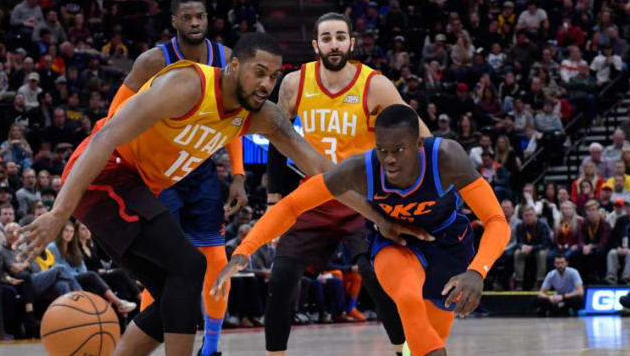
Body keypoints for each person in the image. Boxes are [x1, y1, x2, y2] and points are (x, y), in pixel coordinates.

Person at [14, 34, 425, 356]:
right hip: (104, 174)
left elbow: (321, 170)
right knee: (190, 268)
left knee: (174, 294)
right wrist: (57, 214)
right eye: (258, 72)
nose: (266, 83)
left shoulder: (261, 115)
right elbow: (104, 137)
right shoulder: (186, 84)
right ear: (232, 68)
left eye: (273, 76)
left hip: (135, 187)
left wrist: (379, 217)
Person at [214, 105, 510, 356]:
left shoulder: (447, 158)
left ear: (419, 145)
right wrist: (244, 250)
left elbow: (496, 220)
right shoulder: (360, 169)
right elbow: (293, 206)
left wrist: (477, 271)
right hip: (395, 244)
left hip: (447, 244)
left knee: (430, 335)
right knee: (407, 299)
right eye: (382, 150)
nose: (389, 159)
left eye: (398, 150)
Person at [263, 12, 433, 356]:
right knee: (281, 276)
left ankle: (402, 349)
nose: (334, 44)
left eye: (341, 37)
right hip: (316, 192)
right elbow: (278, 138)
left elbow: (422, 136)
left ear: (352, 42)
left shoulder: (376, 85)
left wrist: (424, 186)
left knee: (373, 272)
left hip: (364, 196)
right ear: (316, 46)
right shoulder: (295, 83)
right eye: (326, 38)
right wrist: (272, 196)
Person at [108, 0, 245, 356]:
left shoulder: (225, 57)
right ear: (174, 21)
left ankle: (211, 347)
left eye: (199, 15)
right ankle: (153, 341)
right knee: (165, 264)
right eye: (186, 17)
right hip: (157, 172)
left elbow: (234, 119)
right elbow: (114, 114)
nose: (195, 22)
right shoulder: (153, 61)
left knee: (216, 258)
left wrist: (238, 173)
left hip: (200, 168)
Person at [513, 206, 552, 290]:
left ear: (535, 215)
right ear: (522, 217)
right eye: (526, 215)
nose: (528, 217)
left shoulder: (542, 225)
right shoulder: (520, 226)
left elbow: (545, 243)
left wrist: (532, 248)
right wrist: (522, 246)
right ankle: (519, 282)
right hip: (526, 249)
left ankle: (539, 281)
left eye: (530, 215)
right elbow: (518, 242)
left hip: (540, 248)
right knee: (517, 253)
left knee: (541, 254)